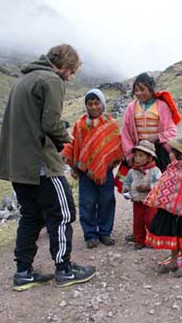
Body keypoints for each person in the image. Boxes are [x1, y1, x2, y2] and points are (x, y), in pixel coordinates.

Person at [0, 44, 96, 291]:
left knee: (31, 216)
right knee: (62, 213)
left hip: (17, 166)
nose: (70, 78)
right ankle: (64, 269)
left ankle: (23, 273)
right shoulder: (51, 80)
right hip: (40, 164)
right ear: (63, 66)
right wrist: (68, 138)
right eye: (71, 72)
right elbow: (50, 123)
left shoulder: (24, 80)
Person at [120, 72, 181, 242]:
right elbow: (125, 133)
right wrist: (130, 154)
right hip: (139, 154)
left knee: (160, 189)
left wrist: (158, 137)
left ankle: (160, 228)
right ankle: (139, 230)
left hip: (159, 153)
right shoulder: (132, 107)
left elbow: (171, 129)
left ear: (151, 88)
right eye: (136, 90)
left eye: (142, 89)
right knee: (139, 192)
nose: (139, 93)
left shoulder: (162, 106)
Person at [61, 89, 123, 249]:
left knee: (107, 201)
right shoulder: (80, 125)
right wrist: (73, 164)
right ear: (86, 106)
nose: (93, 107)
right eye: (90, 104)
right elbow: (72, 145)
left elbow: (116, 146)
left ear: (102, 104)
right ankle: (90, 234)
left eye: (96, 103)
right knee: (87, 203)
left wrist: (110, 161)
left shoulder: (111, 124)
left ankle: (104, 232)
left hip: (105, 171)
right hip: (85, 173)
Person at [145, 137, 182, 277]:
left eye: (172, 152)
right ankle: (174, 262)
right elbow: (164, 185)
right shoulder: (174, 168)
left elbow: (178, 190)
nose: (169, 154)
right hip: (171, 210)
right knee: (174, 237)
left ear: (180, 155)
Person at [122, 140, 162, 249]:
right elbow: (127, 182)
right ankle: (139, 240)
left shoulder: (155, 171)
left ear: (149, 158)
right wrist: (126, 192)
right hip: (137, 201)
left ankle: (154, 239)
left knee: (150, 220)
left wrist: (148, 187)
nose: (137, 158)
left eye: (141, 156)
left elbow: (160, 185)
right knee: (138, 221)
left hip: (151, 202)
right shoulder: (132, 171)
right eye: (136, 156)